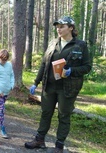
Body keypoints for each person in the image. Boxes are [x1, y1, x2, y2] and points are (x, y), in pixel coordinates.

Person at [24, 16, 91, 152]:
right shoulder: (53, 43)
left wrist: (72, 70)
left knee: (64, 115)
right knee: (46, 112)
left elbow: (87, 67)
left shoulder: (80, 45)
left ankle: (59, 146)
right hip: (49, 86)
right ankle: (39, 140)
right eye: (57, 27)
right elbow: (44, 64)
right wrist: (36, 83)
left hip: (68, 88)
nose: (58, 29)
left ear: (71, 28)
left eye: (62, 26)